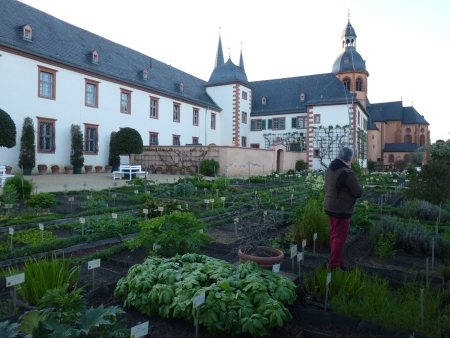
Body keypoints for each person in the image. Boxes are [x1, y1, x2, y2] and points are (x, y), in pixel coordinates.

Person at [324, 146, 363, 270]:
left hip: (330, 206)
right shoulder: (348, 173)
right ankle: (333, 266)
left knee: (335, 236)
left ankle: (340, 262)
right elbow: (358, 192)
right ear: (350, 157)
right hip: (341, 209)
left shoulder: (330, 168)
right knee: (340, 238)